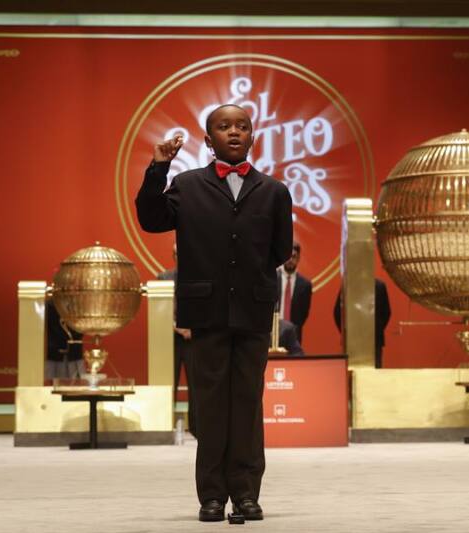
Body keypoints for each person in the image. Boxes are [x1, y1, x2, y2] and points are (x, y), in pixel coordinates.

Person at [136, 103, 293, 522]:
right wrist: (158, 169)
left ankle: (245, 493)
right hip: (205, 312)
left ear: (253, 136)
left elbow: (279, 250)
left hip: (253, 313)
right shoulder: (186, 185)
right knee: (209, 406)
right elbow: (151, 220)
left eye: (242, 126)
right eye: (224, 127)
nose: (234, 132)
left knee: (247, 403)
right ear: (208, 140)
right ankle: (211, 495)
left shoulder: (275, 191)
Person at [157, 243, 196, 437]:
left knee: (196, 383)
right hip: (170, 338)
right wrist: (178, 327)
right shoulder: (163, 278)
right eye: (177, 254)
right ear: (173, 255)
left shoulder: (199, 276)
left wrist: (192, 328)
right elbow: (159, 311)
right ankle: (166, 424)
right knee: (168, 382)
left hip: (194, 338)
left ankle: (196, 426)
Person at [333, 278, 391, 368]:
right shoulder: (380, 286)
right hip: (374, 339)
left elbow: (338, 312)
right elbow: (386, 312)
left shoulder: (348, 285)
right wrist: (377, 329)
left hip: (353, 337)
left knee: (352, 371)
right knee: (374, 372)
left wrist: (346, 333)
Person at [276, 242, 311, 344]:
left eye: (294, 256)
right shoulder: (272, 279)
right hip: (272, 333)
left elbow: (303, 314)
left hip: (294, 335)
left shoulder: (305, 285)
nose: (290, 260)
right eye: (288, 256)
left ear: (299, 258)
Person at [45, 299, 84, 380]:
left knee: (78, 386)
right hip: (54, 355)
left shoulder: (79, 304)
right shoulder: (49, 305)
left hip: (75, 355)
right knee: (52, 387)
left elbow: (82, 328)